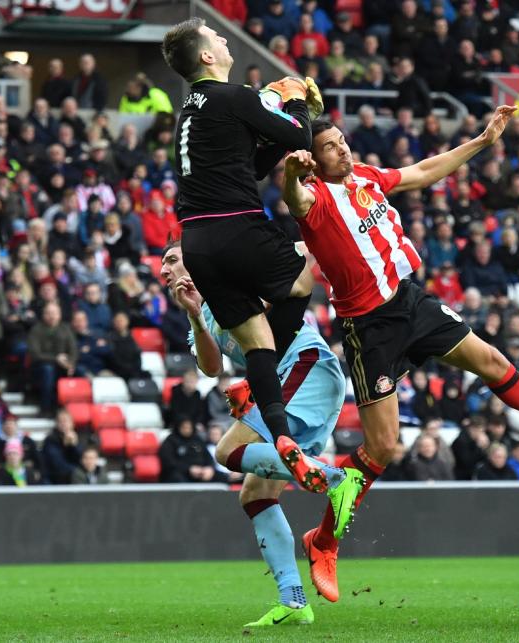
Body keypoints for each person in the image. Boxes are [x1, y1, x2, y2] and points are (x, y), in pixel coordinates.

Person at [280, 109, 519, 603]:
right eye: (330, 147)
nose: (343, 148)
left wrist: (482, 141)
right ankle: (322, 541)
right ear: (314, 163)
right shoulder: (314, 197)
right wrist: (293, 173)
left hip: (411, 302)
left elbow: (424, 171)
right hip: (369, 328)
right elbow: (293, 196)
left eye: (342, 140)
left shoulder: (366, 176)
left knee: (491, 361)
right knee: (384, 448)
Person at [159, 240, 363, 628]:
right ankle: (294, 600)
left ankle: (337, 478)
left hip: (306, 367)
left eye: (171, 260)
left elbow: (301, 250)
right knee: (254, 493)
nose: (165, 271)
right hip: (298, 382)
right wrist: (195, 318)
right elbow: (210, 367)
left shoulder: (233, 277)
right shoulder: (203, 309)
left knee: (226, 451)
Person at [161, 18, 329, 490]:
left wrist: (279, 118)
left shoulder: (191, 111)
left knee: (256, 340)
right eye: (217, 36)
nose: (225, 38)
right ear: (207, 57)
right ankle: (259, 390)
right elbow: (299, 134)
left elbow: (250, 166)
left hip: (197, 241)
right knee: (301, 281)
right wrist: (295, 98)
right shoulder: (233, 96)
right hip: (235, 226)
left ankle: (281, 439)